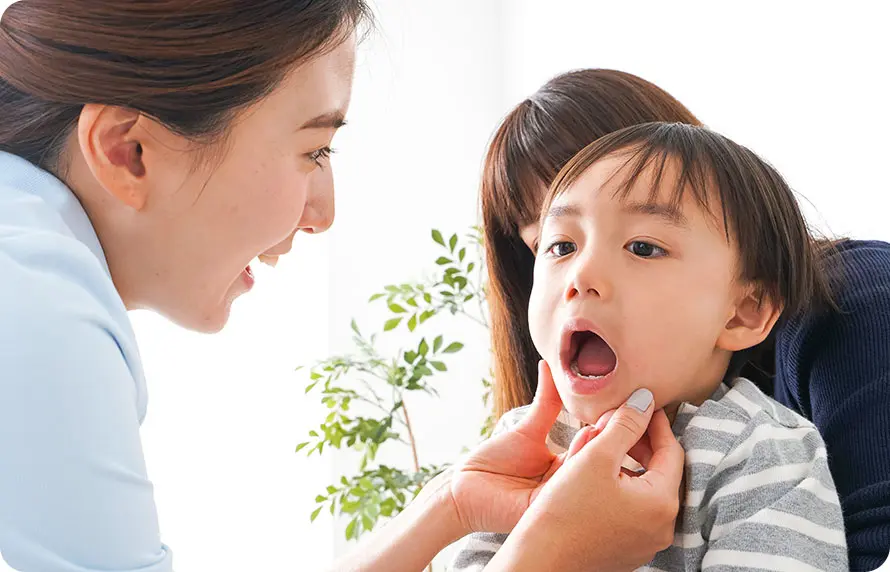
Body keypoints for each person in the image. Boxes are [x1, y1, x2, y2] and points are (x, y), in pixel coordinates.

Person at [0, 3, 684, 571]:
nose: (323, 212)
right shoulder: (37, 306)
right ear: (128, 150)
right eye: (313, 151)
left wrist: (452, 502)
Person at [480, 69, 890, 571]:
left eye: (642, 246)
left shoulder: (765, 450)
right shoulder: (523, 442)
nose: (583, 275)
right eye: (559, 243)